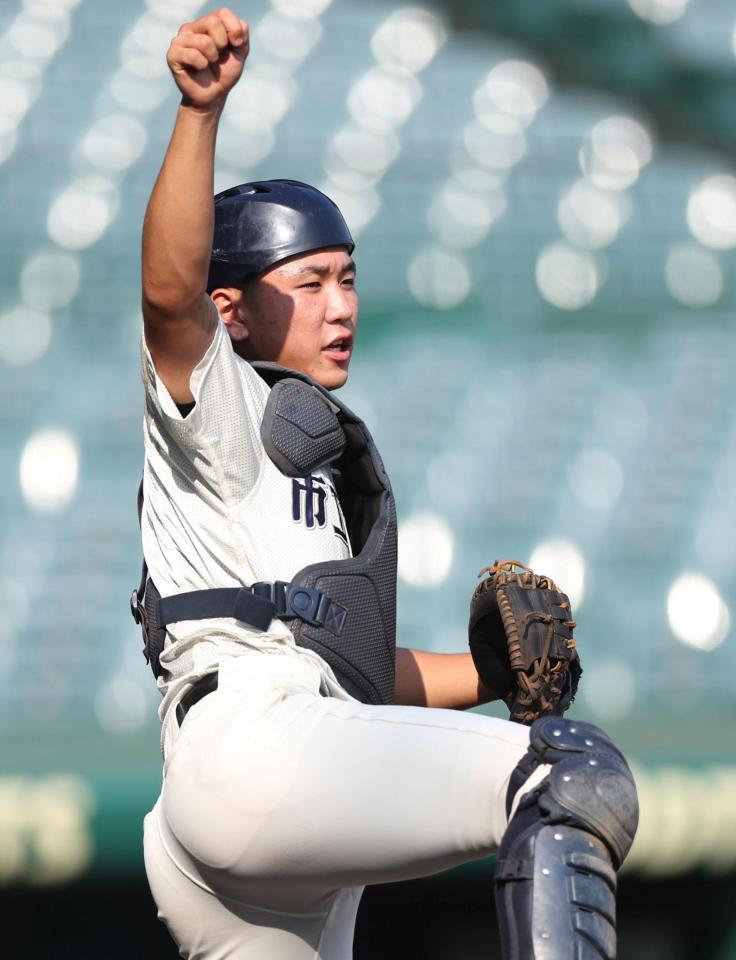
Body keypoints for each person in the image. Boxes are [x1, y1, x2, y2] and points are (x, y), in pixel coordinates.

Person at [135, 8, 638, 959]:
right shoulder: (222, 402)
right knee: (569, 777)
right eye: (313, 279)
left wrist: (485, 676)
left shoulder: (315, 474)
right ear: (232, 310)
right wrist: (199, 114)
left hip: (267, 786)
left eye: (350, 278)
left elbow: (352, 677)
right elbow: (169, 293)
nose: (343, 305)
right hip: (253, 747)